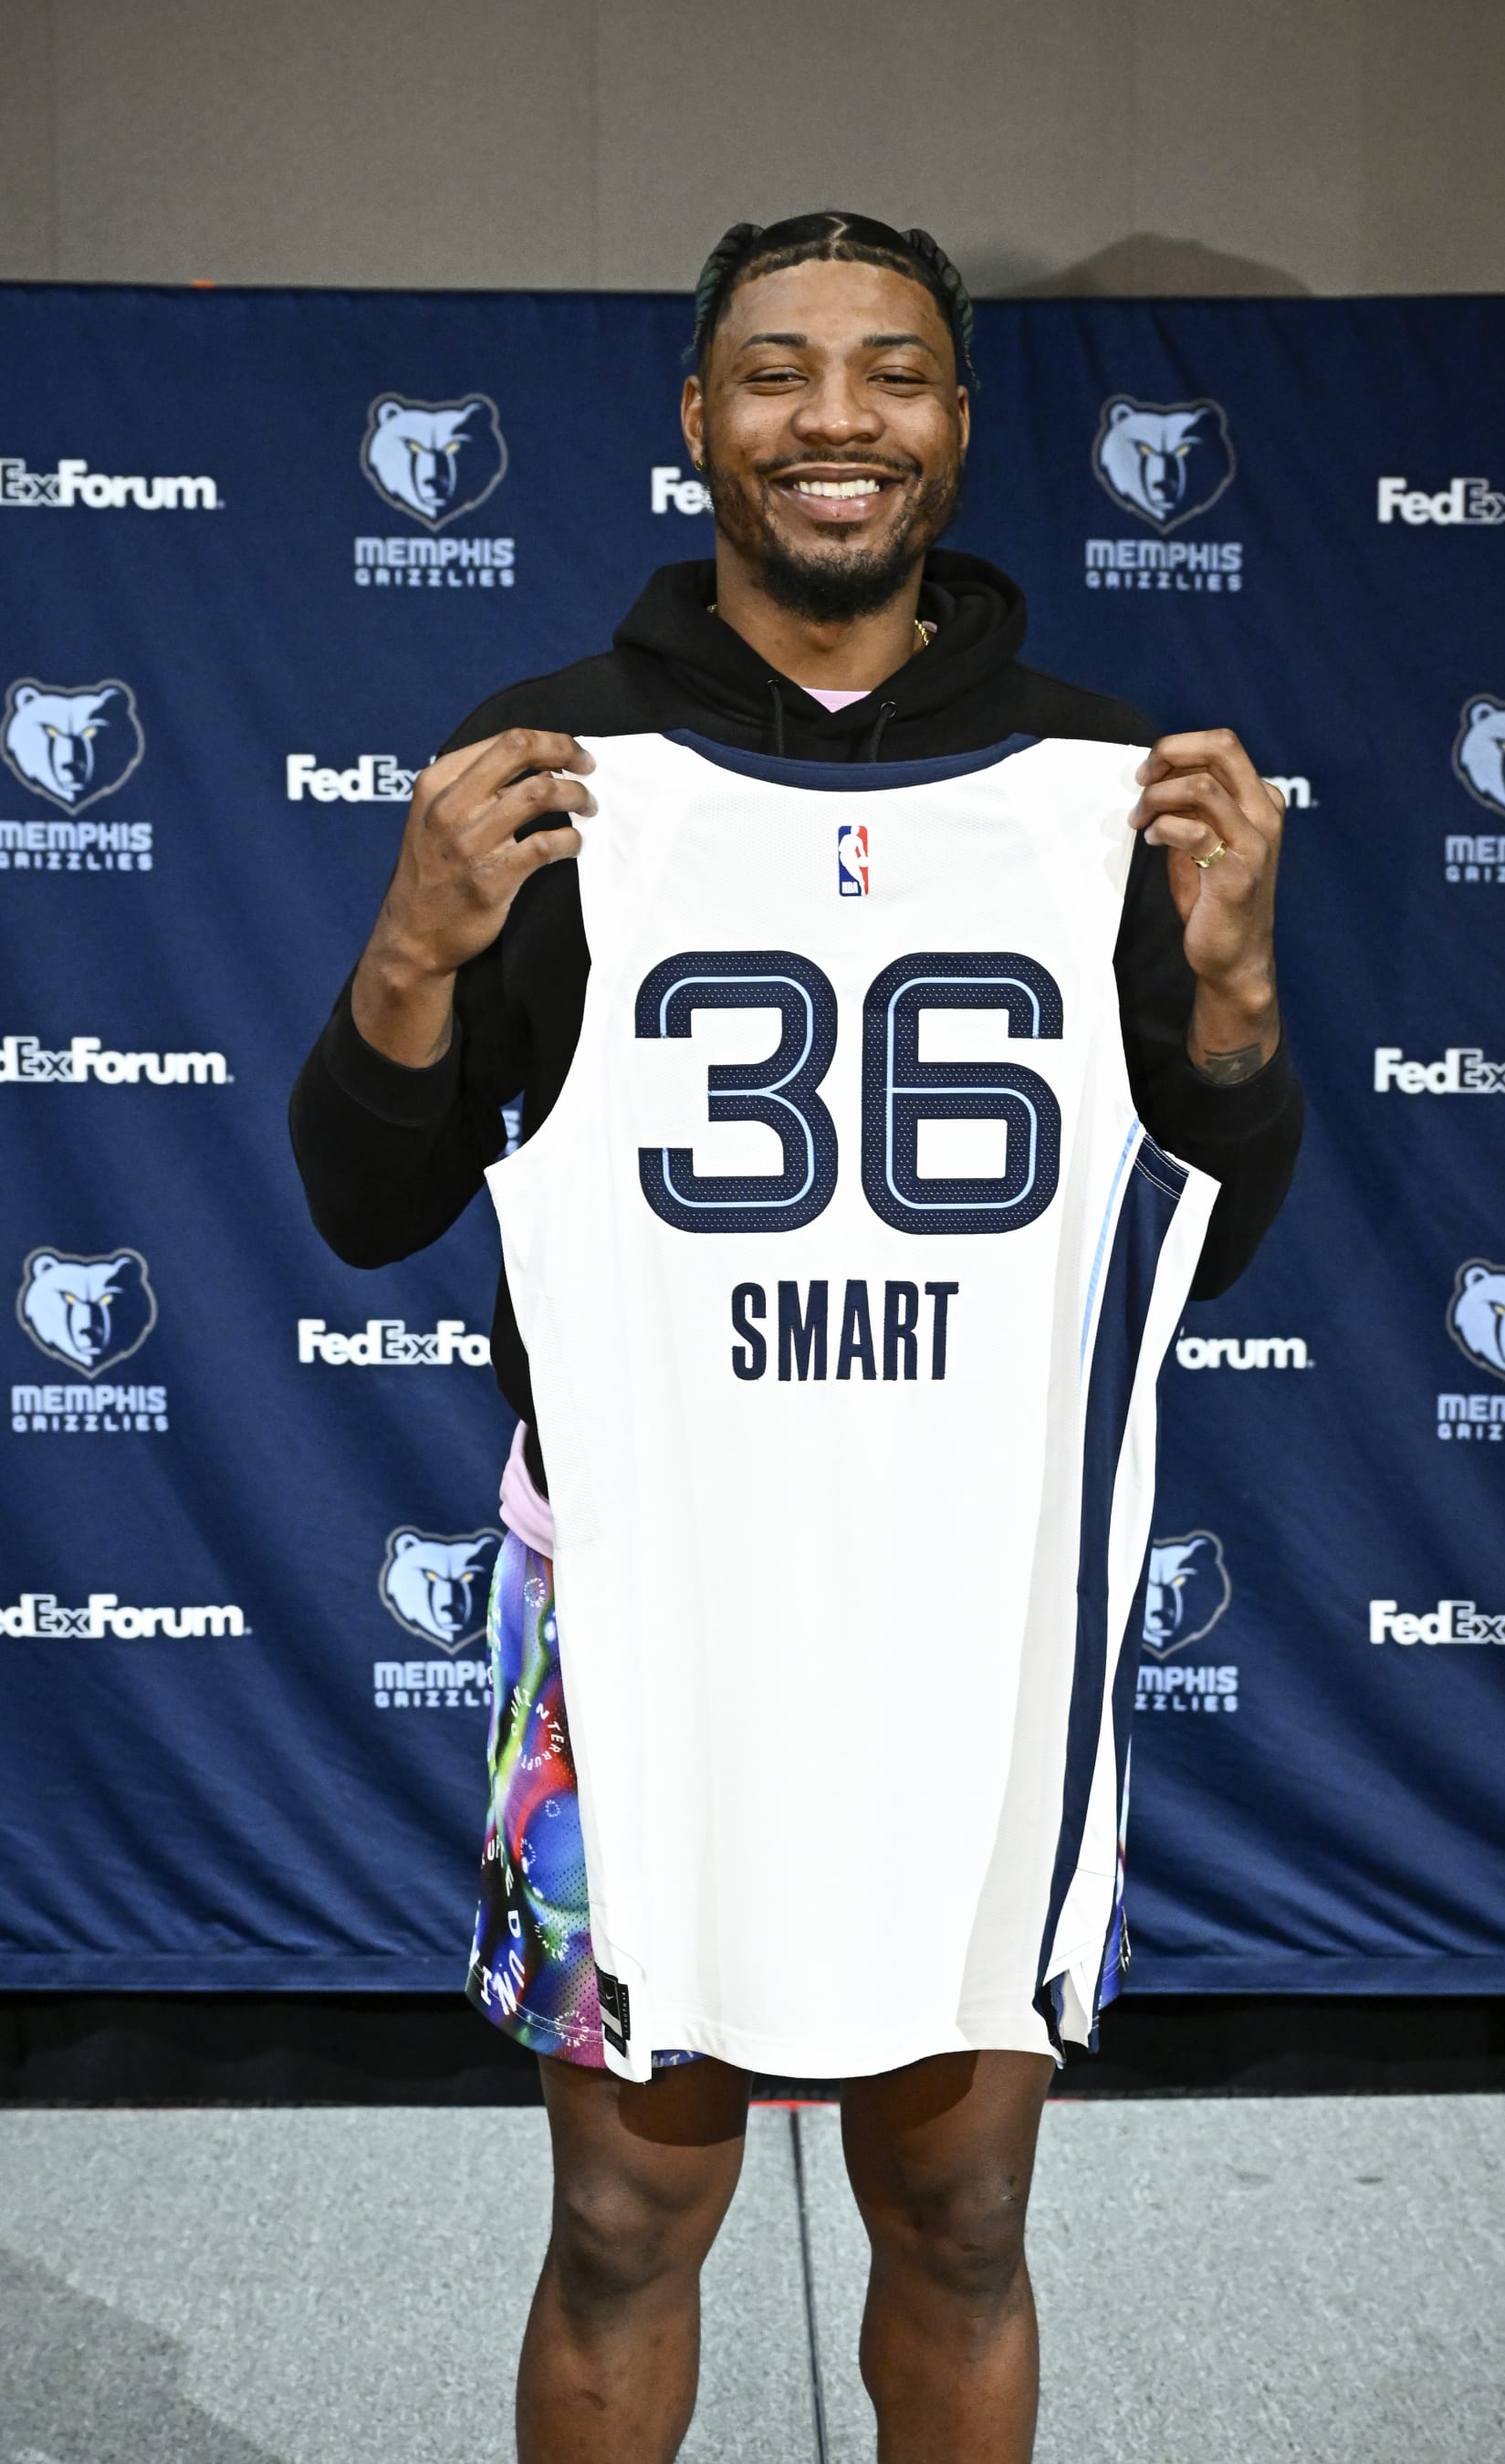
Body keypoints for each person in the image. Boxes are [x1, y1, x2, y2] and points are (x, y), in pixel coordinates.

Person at [291, 211, 1301, 2464]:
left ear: (953, 423)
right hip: (647, 1601)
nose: (832, 419)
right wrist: (408, 952)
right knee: (629, 2224)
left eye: (889, 372)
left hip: (978, 1593)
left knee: (960, 2212)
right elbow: (366, 1206)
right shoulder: (556, 765)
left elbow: (1199, 1256)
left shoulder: (1105, 780)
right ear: (697, 422)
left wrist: (1232, 1004)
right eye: (774, 372)